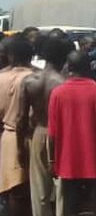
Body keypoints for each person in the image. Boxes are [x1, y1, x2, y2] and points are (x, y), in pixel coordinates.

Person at [48, 52, 96, 216]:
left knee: (70, 207)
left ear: (68, 67)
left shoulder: (57, 94)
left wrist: (52, 161)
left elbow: (53, 133)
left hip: (67, 162)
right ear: (89, 67)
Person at [17, 37, 73, 216]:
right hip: (61, 136)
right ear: (64, 58)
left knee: (39, 191)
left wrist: (20, 147)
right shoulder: (64, 84)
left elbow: (21, 118)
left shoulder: (29, 81)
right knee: (62, 189)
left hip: (38, 133)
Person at [0, 37, 36, 216]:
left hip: (10, 135)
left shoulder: (1, 78)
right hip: (36, 136)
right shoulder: (39, 77)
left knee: (13, 190)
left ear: (10, 56)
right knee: (31, 190)